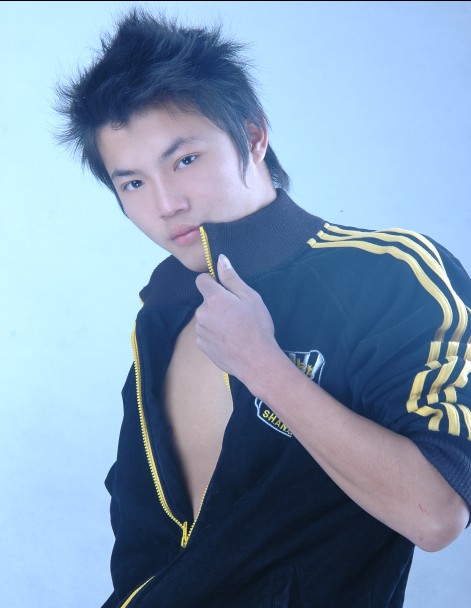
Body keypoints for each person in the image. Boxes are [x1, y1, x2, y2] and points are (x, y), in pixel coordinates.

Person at [54, 7, 471, 608]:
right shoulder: (162, 314)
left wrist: (263, 366)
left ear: (253, 136)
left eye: (185, 160)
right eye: (133, 183)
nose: (166, 204)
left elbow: (436, 515)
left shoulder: (388, 273)